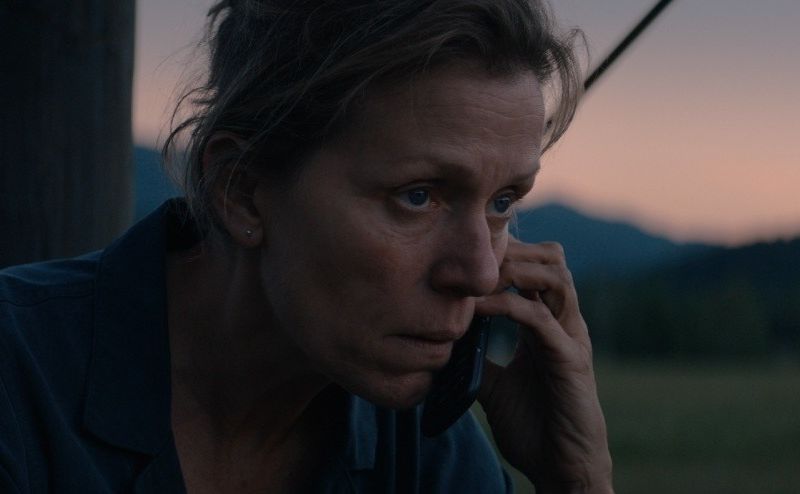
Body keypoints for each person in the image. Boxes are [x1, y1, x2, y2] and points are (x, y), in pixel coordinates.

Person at [0, 0, 614, 492]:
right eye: (418, 196)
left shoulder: (419, 442)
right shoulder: (20, 382)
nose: (480, 273)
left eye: (503, 202)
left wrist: (576, 481)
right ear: (240, 190)